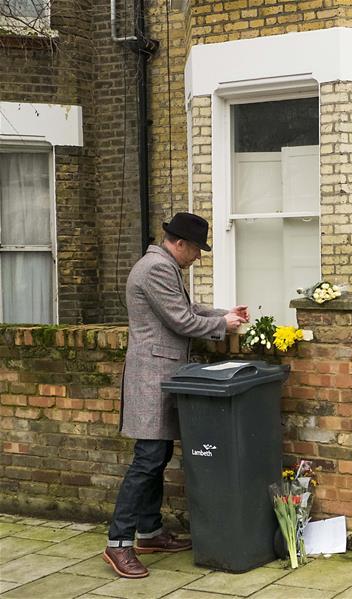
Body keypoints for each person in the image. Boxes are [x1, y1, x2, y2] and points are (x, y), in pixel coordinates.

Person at [103, 212, 248, 579]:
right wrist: (221, 326)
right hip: (152, 377)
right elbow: (182, 322)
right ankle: (118, 543)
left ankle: (149, 532)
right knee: (147, 459)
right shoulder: (156, 269)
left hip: (163, 376)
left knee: (159, 453)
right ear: (180, 243)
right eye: (197, 248)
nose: (199, 256)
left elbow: (188, 309)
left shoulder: (165, 266)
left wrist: (224, 314)